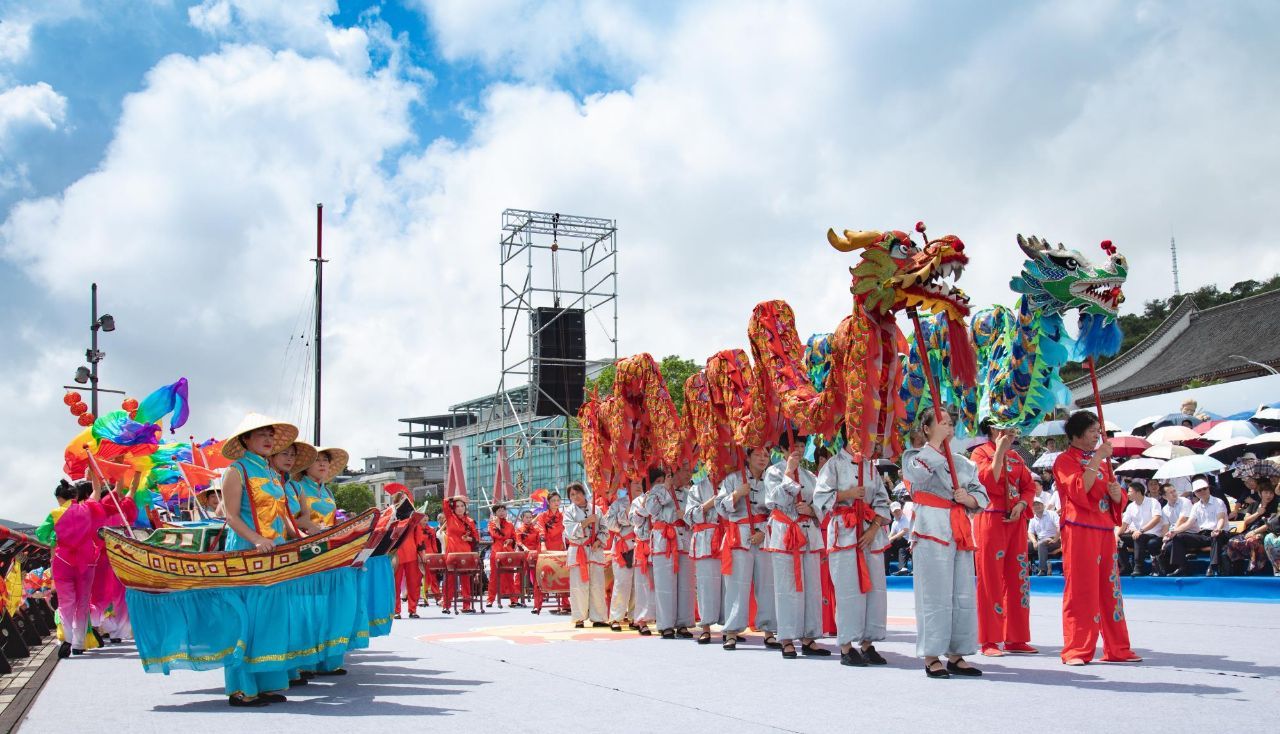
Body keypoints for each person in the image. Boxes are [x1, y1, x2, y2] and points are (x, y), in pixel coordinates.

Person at [902, 411, 987, 679]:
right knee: (934, 594)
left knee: (962, 593)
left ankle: (957, 653)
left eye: (950, 424)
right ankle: (931, 655)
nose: (947, 427)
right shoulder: (914, 457)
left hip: (959, 527)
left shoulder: (964, 463)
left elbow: (981, 494)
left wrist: (968, 499)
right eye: (941, 423)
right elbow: (916, 477)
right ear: (926, 428)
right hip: (931, 527)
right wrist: (935, 444)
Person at [1052, 410, 1140, 666]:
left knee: (1110, 589)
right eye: (1092, 431)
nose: (1097, 436)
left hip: (1103, 529)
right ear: (1076, 434)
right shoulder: (1064, 460)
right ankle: (1076, 650)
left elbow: (1116, 497)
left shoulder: (1103, 463)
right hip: (1079, 528)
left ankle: (1118, 648)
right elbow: (1078, 489)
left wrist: (1117, 496)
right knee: (1082, 588)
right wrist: (1098, 457)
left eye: (1098, 431)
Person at [815, 443, 891, 667]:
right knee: (847, 589)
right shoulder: (833, 464)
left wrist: (874, 528)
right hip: (844, 532)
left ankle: (868, 643)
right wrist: (847, 494)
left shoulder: (870, 467)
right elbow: (820, 498)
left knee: (875, 590)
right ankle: (846, 647)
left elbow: (882, 499)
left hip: (870, 532)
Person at [970, 420, 1039, 657]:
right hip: (990, 519)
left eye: (1013, 425)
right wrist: (999, 451)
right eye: (1006, 424)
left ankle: (1015, 637)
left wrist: (1022, 504)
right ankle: (989, 639)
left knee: (1018, 577)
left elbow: (1029, 487)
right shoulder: (979, 453)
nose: (1011, 429)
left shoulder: (1017, 457)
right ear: (992, 428)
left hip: (1016, 521)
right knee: (990, 579)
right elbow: (986, 482)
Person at [765, 440, 829, 659]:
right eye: (795, 446)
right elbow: (778, 499)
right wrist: (789, 472)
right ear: (783, 449)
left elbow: (821, 502)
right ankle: (786, 638)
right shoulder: (773, 472)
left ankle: (809, 637)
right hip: (785, 532)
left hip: (808, 531)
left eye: (802, 446)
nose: (800, 450)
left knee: (812, 586)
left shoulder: (810, 476)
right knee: (787, 587)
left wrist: (812, 510)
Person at [716, 447, 778, 651]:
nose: (762, 459)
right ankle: (731, 631)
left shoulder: (772, 480)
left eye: (766, 455)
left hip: (764, 536)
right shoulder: (733, 479)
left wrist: (763, 531)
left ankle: (769, 631)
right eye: (758, 455)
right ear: (748, 457)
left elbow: (778, 509)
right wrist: (736, 494)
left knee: (767, 585)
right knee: (736, 585)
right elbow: (719, 507)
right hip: (739, 536)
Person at [37, 479, 104, 658]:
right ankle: (79, 643)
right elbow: (96, 491)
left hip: (63, 561)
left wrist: (55, 537)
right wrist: (92, 473)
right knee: (83, 602)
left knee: (66, 602)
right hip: (87, 560)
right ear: (75, 495)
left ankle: (67, 639)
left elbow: (41, 534)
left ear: (59, 498)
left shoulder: (55, 513)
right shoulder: (87, 508)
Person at [649, 465, 694, 639]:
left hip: (684, 540)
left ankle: (683, 623)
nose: (689, 474)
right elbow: (651, 509)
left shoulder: (690, 493)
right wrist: (666, 488)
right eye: (686, 470)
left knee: (686, 584)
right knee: (665, 584)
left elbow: (696, 516)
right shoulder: (658, 490)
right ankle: (666, 624)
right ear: (674, 472)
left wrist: (686, 517)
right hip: (665, 540)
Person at [683, 464, 722, 644]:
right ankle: (705, 626)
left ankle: (730, 627)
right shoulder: (697, 488)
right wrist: (709, 504)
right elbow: (688, 516)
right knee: (705, 584)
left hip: (728, 537)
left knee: (728, 585)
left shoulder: (731, 483)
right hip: (705, 539)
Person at [564, 482, 608, 628]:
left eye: (578, 493)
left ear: (583, 493)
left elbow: (604, 528)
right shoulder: (568, 511)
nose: (575, 496)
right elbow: (570, 531)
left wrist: (599, 541)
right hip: (578, 551)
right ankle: (579, 618)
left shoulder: (597, 509)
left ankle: (598, 617)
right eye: (572, 494)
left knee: (597, 585)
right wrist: (587, 521)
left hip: (595, 551)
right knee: (578, 586)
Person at [1166, 477, 1229, 576]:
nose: (1203, 491)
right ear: (1195, 493)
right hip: (1203, 534)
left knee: (1216, 536)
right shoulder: (1196, 506)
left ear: (1208, 488)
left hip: (1220, 532)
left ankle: (1213, 566)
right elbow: (1189, 523)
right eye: (1199, 490)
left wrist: (1218, 528)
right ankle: (1182, 567)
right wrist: (1174, 531)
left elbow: (1221, 518)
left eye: (1205, 488)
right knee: (1178, 537)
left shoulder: (1218, 502)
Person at [603, 479, 636, 630]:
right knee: (622, 583)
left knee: (637, 584)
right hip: (623, 547)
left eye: (639, 483)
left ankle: (635, 617)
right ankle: (616, 617)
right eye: (634, 483)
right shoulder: (618, 503)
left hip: (641, 546)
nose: (637, 486)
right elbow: (610, 524)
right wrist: (626, 514)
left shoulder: (645, 501)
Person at [1226, 476, 1277, 574]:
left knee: (1252, 541)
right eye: (1266, 492)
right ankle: (1236, 567)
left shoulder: (1274, 506)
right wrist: (1258, 513)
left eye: (1271, 493)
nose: (1269, 495)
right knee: (1232, 541)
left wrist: (1254, 532)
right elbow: (1246, 521)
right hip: (1249, 530)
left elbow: (1270, 524)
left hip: (1264, 532)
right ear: (1260, 493)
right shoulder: (1255, 504)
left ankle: (1254, 567)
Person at [392, 487, 427, 619]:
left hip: (411, 554)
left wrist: (422, 553)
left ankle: (413, 610)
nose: (405, 501)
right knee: (395, 585)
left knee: (413, 584)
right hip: (396, 555)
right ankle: (396, 610)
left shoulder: (414, 517)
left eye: (406, 498)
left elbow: (419, 537)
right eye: (402, 499)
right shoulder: (391, 516)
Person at [629, 473, 657, 636]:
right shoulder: (637, 502)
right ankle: (641, 620)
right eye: (657, 482)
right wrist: (646, 502)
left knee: (660, 584)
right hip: (643, 547)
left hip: (660, 546)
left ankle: (661, 618)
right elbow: (635, 521)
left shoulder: (663, 498)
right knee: (642, 585)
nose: (639, 485)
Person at [442, 498, 481, 613]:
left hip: (466, 552)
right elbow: (445, 502)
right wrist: (457, 497)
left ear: (465, 508)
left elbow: (476, 538)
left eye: (462, 506)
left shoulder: (470, 521)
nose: (460, 508)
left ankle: (466, 605)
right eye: (457, 506)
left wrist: (469, 539)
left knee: (465, 579)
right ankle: (446, 605)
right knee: (449, 580)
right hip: (452, 553)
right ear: (453, 508)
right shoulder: (450, 518)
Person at [1118, 482, 1165, 576]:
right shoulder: (1130, 506)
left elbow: (1156, 518)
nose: (1127, 494)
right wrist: (1117, 536)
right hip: (1138, 534)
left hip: (1153, 534)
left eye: (1129, 491)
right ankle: (1125, 567)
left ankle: (1139, 567)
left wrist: (1141, 530)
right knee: (1120, 540)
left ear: (1138, 492)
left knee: (1138, 537)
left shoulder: (1153, 502)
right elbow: (1124, 524)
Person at [534, 492, 568, 615]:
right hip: (546, 547)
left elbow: (567, 530)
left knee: (563, 575)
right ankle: (537, 605)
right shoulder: (542, 516)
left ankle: (565, 604)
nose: (556, 503)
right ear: (548, 502)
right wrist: (543, 544)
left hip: (559, 546)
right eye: (553, 500)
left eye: (558, 500)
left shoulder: (563, 516)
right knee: (541, 575)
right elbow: (541, 530)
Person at [296, 447, 346, 528]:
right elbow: (287, 520)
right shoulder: (296, 488)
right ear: (306, 465)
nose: (322, 464)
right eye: (316, 460)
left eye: (325, 460)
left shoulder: (328, 492)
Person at [486, 504, 521, 607]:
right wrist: (497, 524)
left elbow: (514, 537)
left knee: (509, 576)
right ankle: (490, 599)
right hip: (496, 552)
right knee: (494, 576)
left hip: (508, 552)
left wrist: (511, 540)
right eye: (499, 511)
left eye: (503, 510)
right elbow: (496, 535)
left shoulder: (510, 525)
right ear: (495, 513)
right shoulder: (491, 524)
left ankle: (513, 599)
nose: (502, 512)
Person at [1026, 500, 1060, 576]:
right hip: (1039, 540)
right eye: (1034, 505)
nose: (1037, 506)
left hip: (1054, 540)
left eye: (1039, 504)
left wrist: (1055, 539)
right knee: (1024, 544)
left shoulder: (1052, 514)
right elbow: (1030, 532)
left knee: (1041, 544)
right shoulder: (1032, 518)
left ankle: (1043, 570)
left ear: (1044, 505)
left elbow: (1059, 527)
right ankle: (1025, 569)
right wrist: (1034, 541)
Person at [886, 501, 912, 575]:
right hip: (902, 543)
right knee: (897, 547)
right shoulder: (895, 522)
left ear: (901, 510)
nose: (897, 512)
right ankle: (901, 568)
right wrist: (887, 541)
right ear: (891, 512)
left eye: (898, 510)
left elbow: (904, 531)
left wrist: (891, 539)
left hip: (910, 541)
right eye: (895, 511)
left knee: (900, 545)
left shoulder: (905, 518)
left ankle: (903, 568)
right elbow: (892, 533)